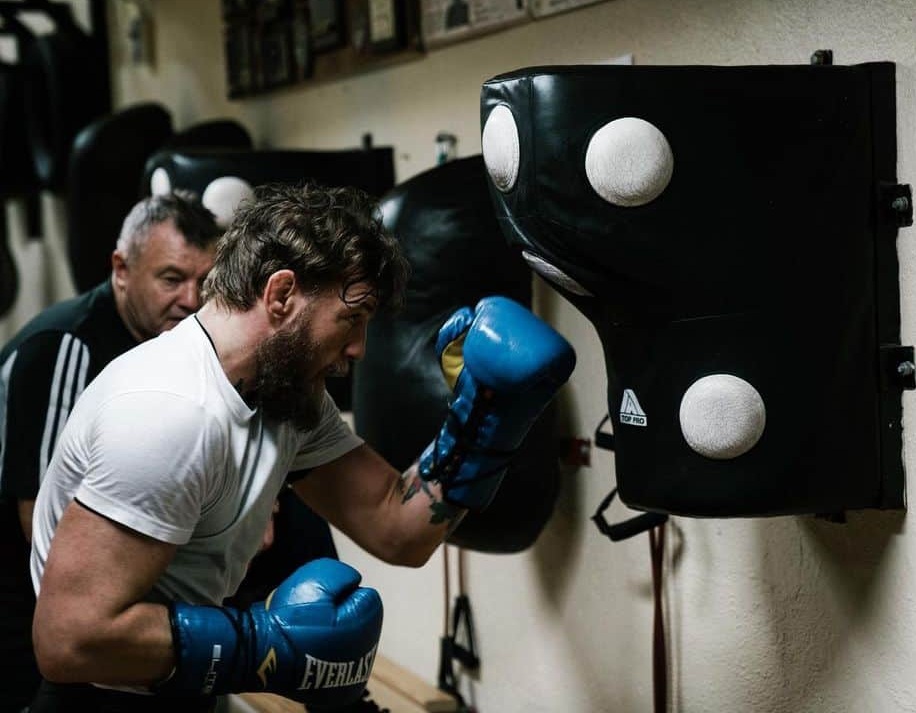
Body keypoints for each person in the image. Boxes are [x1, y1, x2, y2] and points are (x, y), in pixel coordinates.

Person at [28, 183, 575, 712]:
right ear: (282, 294)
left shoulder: (284, 395)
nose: (359, 348)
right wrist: (265, 645)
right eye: (352, 318)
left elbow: (395, 528)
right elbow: (69, 639)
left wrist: (480, 422)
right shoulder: (170, 413)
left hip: (176, 691)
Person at [0, 191, 220, 712]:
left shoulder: (178, 347)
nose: (191, 299)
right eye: (171, 279)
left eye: (204, 283)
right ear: (122, 270)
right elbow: (44, 530)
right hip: (23, 599)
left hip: (107, 592)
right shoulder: (66, 347)